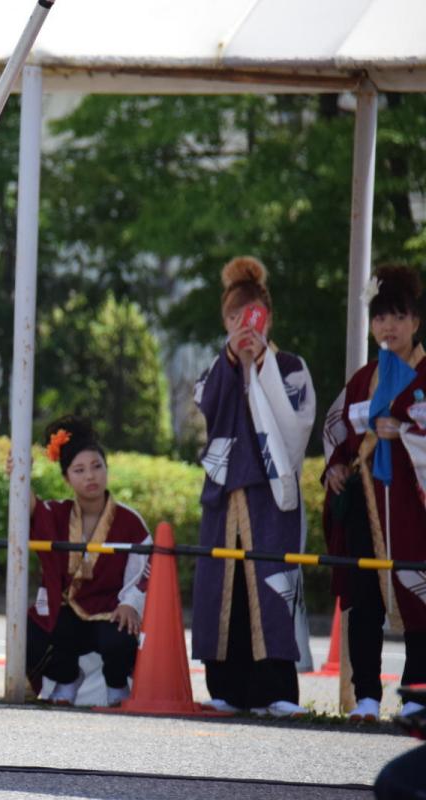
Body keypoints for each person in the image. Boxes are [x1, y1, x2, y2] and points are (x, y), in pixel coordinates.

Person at [191, 257, 316, 717]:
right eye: (233, 318)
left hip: (271, 495)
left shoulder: (289, 366)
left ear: (267, 318)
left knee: (272, 585)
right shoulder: (217, 367)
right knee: (224, 588)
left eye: (250, 318)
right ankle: (225, 686)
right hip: (224, 496)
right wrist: (232, 362)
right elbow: (203, 405)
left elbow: (298, 426)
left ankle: (276, 689)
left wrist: (260, 364)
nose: (242, 327)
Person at [322, 264, 426, 721]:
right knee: (363, 598)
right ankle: (366, 695)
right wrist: (336, 468)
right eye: (381, 317)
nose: (388, 326)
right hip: (367, 503)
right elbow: (336, 428)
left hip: (412, 507)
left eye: (398, 316)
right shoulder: (364, 379)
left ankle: (417, 696)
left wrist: (404, 430)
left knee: (420, 595)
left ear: (416, 321)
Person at [19, 416, 150, 707]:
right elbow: (27, 508)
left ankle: (118, 688)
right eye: (79, 470)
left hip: (111, 610)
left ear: (106, 469)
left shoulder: (130, 521)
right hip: (68, 612)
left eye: (96, 467)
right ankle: (67, 680)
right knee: (28, 633)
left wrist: (130, 602)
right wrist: (19, 474)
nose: (90, 476)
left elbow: (142, 571)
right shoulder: (58, 513)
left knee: (121, 635)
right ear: (66, 478)